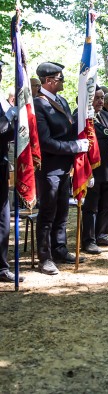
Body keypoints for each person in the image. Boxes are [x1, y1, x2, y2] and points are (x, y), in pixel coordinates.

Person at [34, 62, 89, 275]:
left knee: (63, 212)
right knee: (48, 214)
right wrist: (75, 146)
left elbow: (69, 129)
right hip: (49, 168)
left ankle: (59, 248)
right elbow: (45, 141)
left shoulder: (62, 101)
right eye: (60, 78)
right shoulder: (39, 105)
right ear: (48, 81)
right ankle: (45, 258)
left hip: (65, 167)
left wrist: (85, 118)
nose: (63, 82)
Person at [81, 87, 108, 254]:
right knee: (91, 207)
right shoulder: (82, 118)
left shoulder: (107, 117)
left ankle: (102, 234)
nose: (100, 101)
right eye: (96, 98)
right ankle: (89, 240)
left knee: (106, 205)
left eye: (102, 97)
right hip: (91, 170)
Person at [0, 59, 24, 283]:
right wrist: (7, 117)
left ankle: (2, 267)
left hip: (1, 165)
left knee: (3, 219)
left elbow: (4, 134)